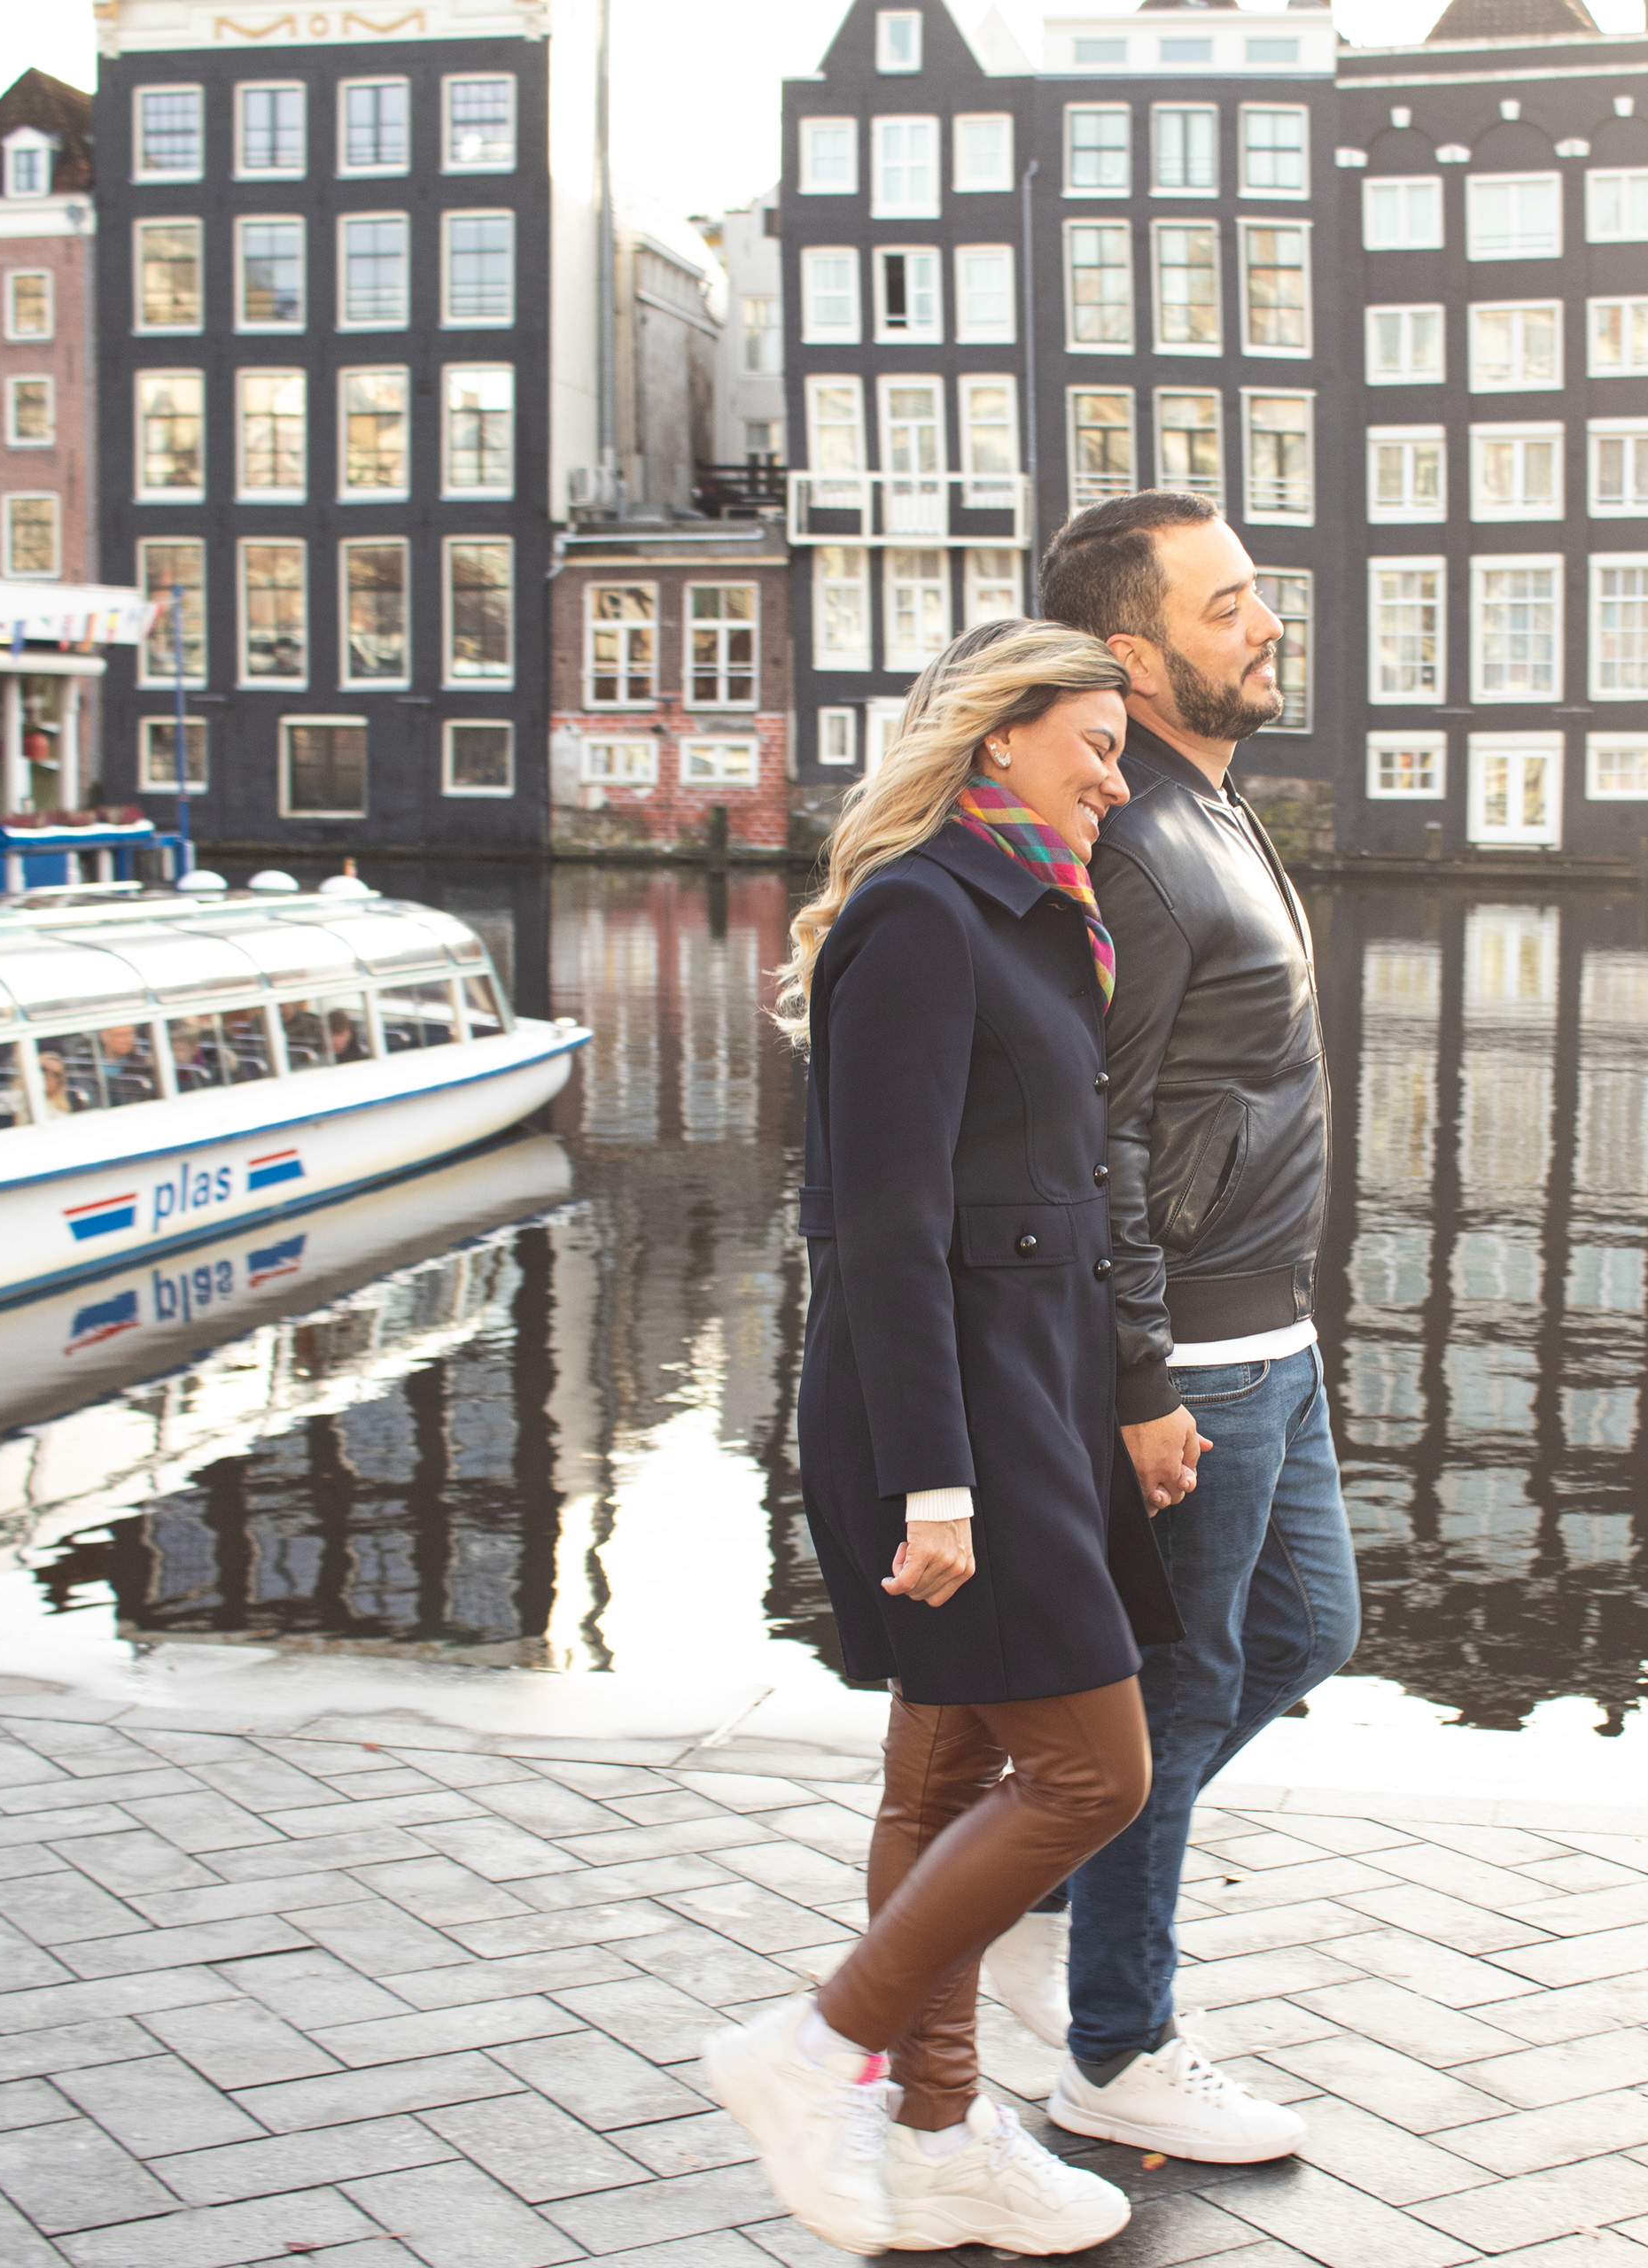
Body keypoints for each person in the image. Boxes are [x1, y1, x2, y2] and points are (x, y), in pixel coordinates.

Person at [704, 622, 1180, 2257]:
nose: (1115, 779)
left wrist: (1122, 1391)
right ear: (996, 739)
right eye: (1095, 745)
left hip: (1035, 1390)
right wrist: (936, 1483)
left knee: (954, 1761)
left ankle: (938, 2137)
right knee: (1094, 1770)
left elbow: (1060, 1181)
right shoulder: (921, 913)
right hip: (958, 1411)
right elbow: (884, 1228)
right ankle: (818, 2046)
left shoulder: (1041, 910)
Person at [993, 491, 1360, 2163]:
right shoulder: (1134, 841)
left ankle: (1038, 1886)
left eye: (1257, 594)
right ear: (1130, 657)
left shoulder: (1209, 804)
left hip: (1272, 1328)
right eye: (1227, 606)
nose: (1266, 622)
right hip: (1199, 1352)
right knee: (1180, 1687)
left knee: (1306, 1631)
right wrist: (1141, 1375)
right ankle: (1117, 2044)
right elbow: (1101, 1137)